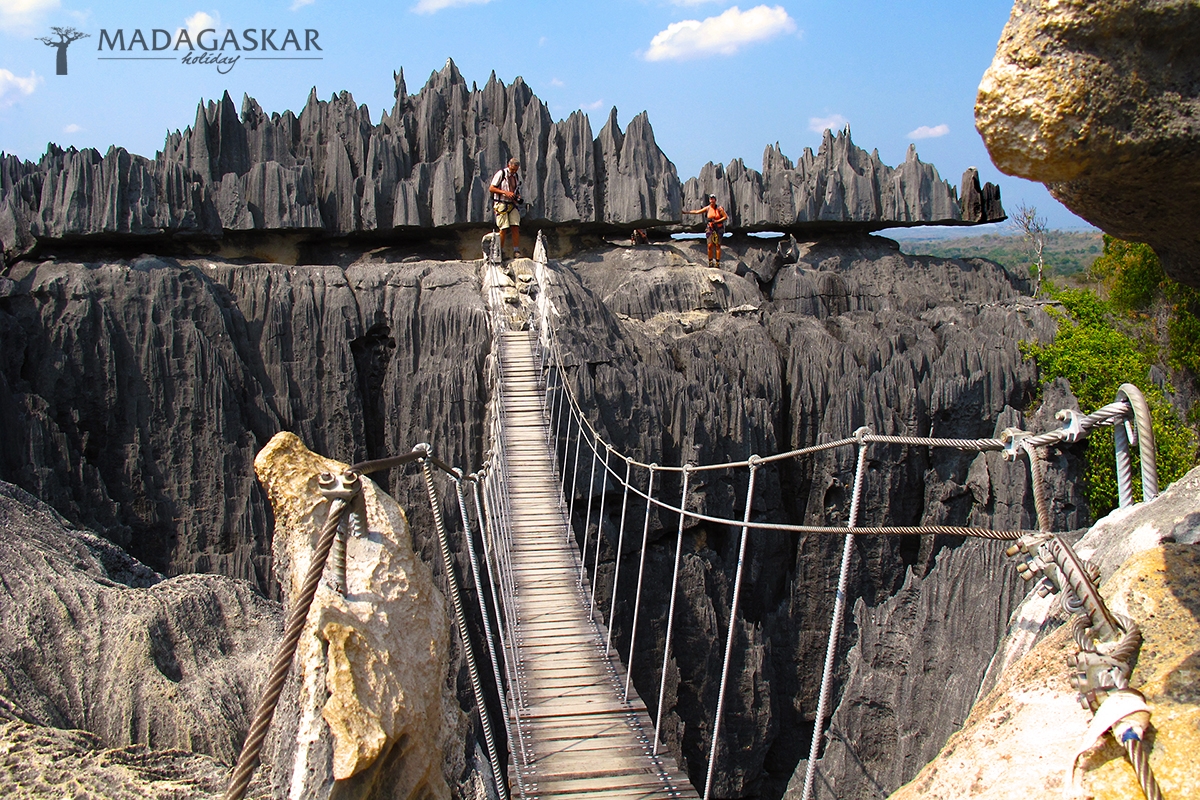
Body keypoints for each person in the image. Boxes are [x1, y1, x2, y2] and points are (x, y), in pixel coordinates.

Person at [489, 158, 523, 258]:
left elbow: (516, 190)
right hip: (501, 204)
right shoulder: (501, 174)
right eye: (512, 170)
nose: (514, 172)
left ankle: (516, 251)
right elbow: (491, 188)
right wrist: (505, 193)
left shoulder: (516, 176)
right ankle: (500, 251)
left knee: (515, 226)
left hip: (512, 204)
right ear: (509, 166)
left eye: (516, 170)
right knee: (503, 228)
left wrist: (517, 196)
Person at [684, 195, 729, 267]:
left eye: (713, 198)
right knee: (709, 245)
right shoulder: (707, 208)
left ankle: (717, 263)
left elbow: (725, 217)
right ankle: (710, 262)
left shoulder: (719, 208)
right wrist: (686, 212)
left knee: (717, 245)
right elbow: (697, 212)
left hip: (718, 228)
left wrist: (717, 221)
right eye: (710, 199)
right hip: (710, 228)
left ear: (715, 200)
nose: (711, 200)